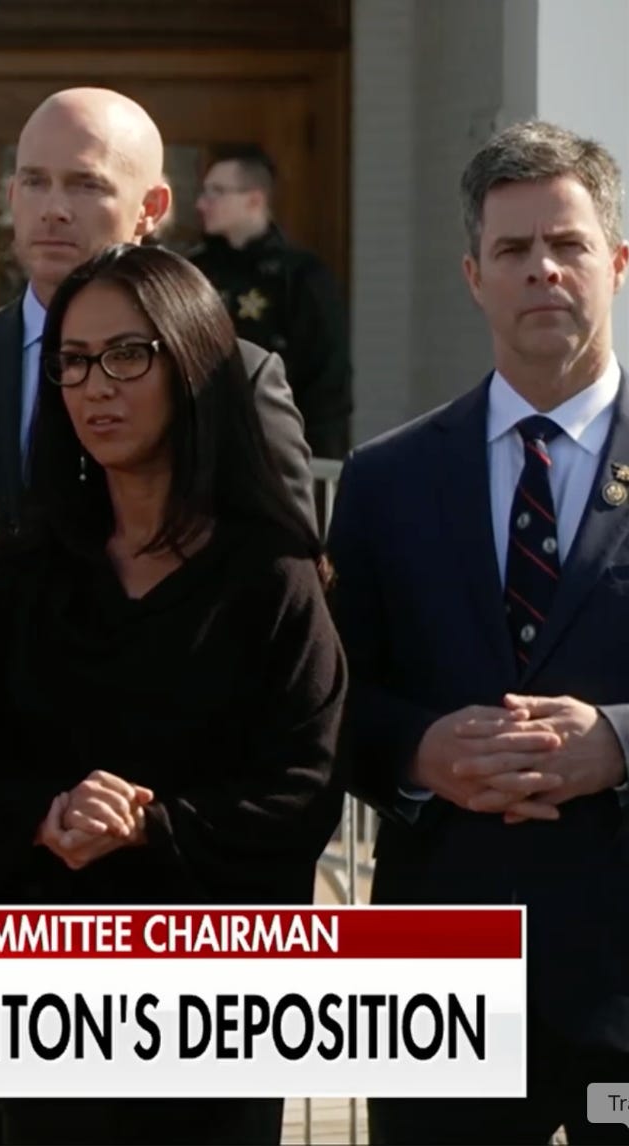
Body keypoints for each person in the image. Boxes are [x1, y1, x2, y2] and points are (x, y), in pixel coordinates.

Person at [0, 87, 316, 1145]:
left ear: (153, 207)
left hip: (186, 876)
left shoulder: (238, 375)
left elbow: (277, 596)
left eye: (84, 184)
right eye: (31, 181)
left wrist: (148, 799)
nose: (51, 208)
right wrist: (30, 789)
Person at [0, 245, 342, 1144]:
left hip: (216, 1007)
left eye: (128, 355)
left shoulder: (271, 576)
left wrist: (148, 825)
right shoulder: (26, 574)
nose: (96, 386)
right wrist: (50, 817)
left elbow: (302, 790)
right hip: (50, 1001)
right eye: (74, 361)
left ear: (193, 363)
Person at [328, 120, 628, 1146]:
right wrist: (420, 751)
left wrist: (618, 742)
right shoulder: (386, 480)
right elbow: (330, 700)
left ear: (616, 262)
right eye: (512, 249)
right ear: (472, 275)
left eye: (568, 244)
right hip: (443, 983)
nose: (542, 268)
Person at [190, 146, 354, 458]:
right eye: (204, 191)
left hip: (276, 443)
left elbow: (327, 378)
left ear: (254, 199)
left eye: (217, 192)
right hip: (205, 442)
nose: (202, 203)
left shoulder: (301, 276)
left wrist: (317, 457)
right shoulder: (195, 271)